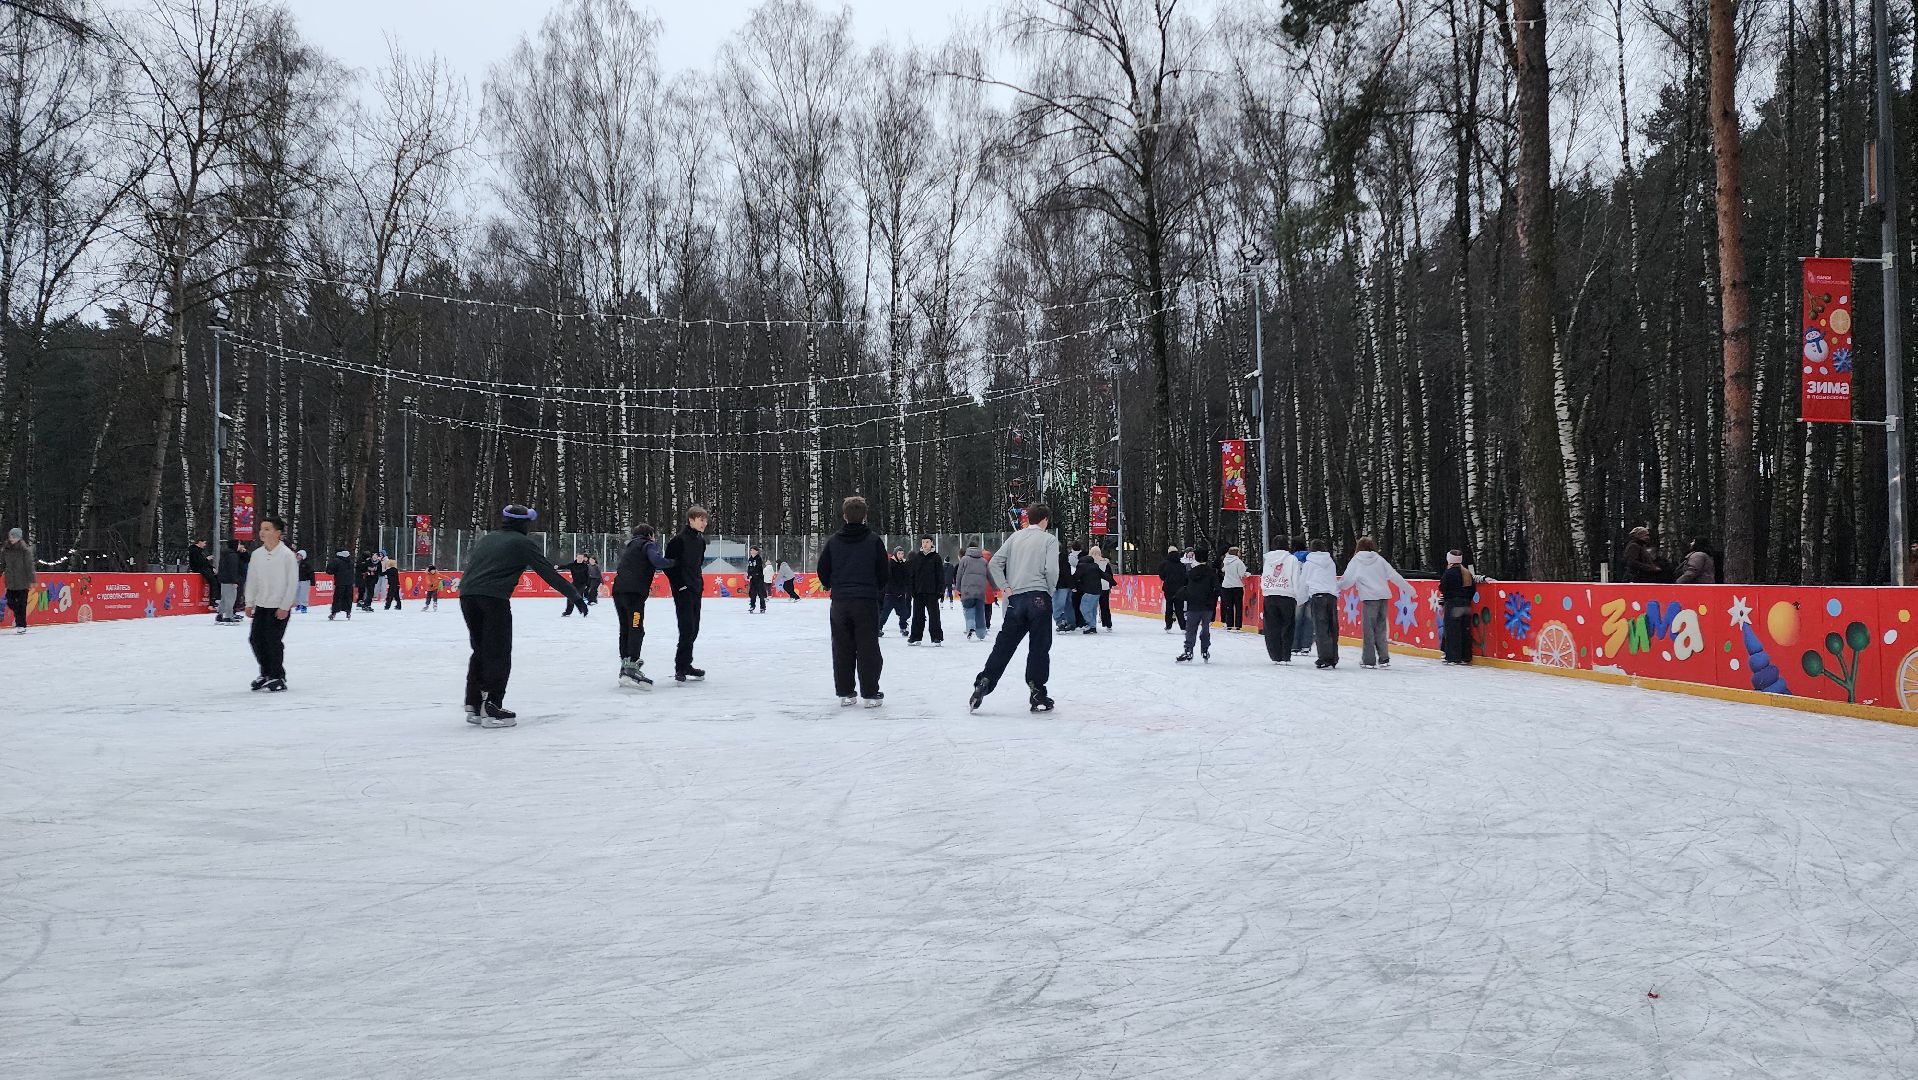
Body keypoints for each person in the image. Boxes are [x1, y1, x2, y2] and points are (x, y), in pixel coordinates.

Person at [458, 503, 585, 726]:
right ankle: (492, 706)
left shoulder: (487, 539)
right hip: (494, 599)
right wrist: (574, 596)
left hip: (467, 596)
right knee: (498, 651)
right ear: (524, 523)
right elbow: (547, 572)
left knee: (480, 649)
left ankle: (474, 702)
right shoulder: (522, 543)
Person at [968, 503, 1061, 713]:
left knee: (1004, 646)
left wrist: (1006, 588)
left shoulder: (1015, 537)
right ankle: (1037, 692)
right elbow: (1052, 569)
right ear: (1045, 519)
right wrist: (1050, 590)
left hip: (1016, 599)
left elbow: (994, 563)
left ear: (1029, 519)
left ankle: (984, 682)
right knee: (1038, 648)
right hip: (1039, 598)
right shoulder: (1049, 540)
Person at [817, 495, 890, 707]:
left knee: (842, 647)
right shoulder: (874, 540)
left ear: (844, 516)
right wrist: (875, 588)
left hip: (840, 602)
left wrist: (834, 585)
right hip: (866, 601)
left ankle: (846, 692)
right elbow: (884, 572)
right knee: (868, 647)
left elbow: (823, 570)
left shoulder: (834, 541)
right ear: (865, 516)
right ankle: (870, 693)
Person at [612, 523, 675, 690]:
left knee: (625, 628)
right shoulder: (648, 544)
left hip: (619, 591)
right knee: (636, 627)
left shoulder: (630, 546)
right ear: (650, 534)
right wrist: (675, 562)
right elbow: (657, 561)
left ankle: (625, 665)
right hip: (634, 594)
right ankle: (631, 666)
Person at [1339, 536, 1412, 669]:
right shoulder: (1379, 559)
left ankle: (1368, 660)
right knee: (1381, 629)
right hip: (1383, 597)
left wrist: (1337, 587)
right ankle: (1384, 658)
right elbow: (1393, 575)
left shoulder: (1356, 561)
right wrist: (1409, 589)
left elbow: (1347, 580)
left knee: (1368, 630)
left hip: (1369, 598)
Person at [244, 516, 299, 692]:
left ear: (277, 533)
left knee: (273, 641)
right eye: (262, 528)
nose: (262, 532)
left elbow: (292, 583)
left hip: (278, 606)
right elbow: (252, 580)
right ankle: (266, 672)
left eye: (267, 529)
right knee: (256, 639)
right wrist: (249, 602)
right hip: (261, 605)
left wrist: (285, 606)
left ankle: (278, 676)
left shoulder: (286, 556)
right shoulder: (257, 555)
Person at [664, 505, 710, 683]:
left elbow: (697, 565)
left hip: (696, 588)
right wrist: (680, 585)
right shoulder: (678, 540)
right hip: (683, 590)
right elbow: (668, 565)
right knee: (686, 628)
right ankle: (680, 667)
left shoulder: (700, 541)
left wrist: (698, 583)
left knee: (694, 628)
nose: (704, 523)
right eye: (701, 520)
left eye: (705, 520)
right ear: (691, 520)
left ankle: (686, 664)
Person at [1260, 538, 1305, 663]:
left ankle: (1275, 655)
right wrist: (1299, 596)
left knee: (1271, 627)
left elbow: (1265, 575)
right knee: (1287, 626)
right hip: (1287, 596)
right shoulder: (1292, 559)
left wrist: (1265, 589)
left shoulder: (1268, 559)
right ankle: (1286, 655)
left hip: (1270, 594)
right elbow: (1296, 578)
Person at [1300, 538, 1341, 668]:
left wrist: (1300, 599)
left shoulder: (1309, 563)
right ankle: (1333, 657)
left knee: (1321, 628)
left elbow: (1303, 582)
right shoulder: (1330, 562)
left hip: (1318, 596)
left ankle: (1324, 658)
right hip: (1331, 596)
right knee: (1332, 627)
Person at [1177, 547, 1219, 662]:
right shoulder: (1211, 573)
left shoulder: (1190, 573)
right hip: (1207, 606)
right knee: (1205, 629)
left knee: (1191, 628)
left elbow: (1184, 586)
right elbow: (1217, 588)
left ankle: (1189, 650)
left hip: (1193, 605)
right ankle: (1205, 650)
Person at [1439, 550, 1476, 666]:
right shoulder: (1467, 573)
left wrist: (1447, 598)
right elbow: (1472, 589)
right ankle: (1466, 656)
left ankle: (1453, 657)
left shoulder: (1449, 573)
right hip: (1466, 604)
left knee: (1453, 630)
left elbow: (1443, 587)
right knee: (1465, 630)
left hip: (1453, 605)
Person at [908, 535, 945, 646]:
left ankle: (936, 638)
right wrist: (912, 590)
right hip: (918, 592)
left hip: (932, 592)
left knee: (934, 616)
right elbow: (912, 575)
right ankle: (915, 637)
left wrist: (940, 590)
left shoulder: (936, 558)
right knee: (917, 616)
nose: (925, 544)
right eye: (923, 542)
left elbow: (940, 576)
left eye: (927, 542)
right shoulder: (916, 558)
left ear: (931, 543)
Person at [955, 543, 992, 640]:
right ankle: (981, 634)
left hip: (967, 590)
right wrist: (995, 588)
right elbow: (989, 575)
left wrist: (957, 588)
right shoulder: (983, 561)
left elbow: (959, 574)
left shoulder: (964, 559)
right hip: (980, 590)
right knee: (980, 611)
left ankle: (971, 628)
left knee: (968, 609)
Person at [1, 527, 34, 634]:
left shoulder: (25, 550)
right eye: (11, 536)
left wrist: (32, 579)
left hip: (22, 581)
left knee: (21, 604)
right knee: (10, 602)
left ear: (19, 538)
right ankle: (18, 618)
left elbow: (29, 566)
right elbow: (2, 563)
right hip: (10, 581)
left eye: (14, 536)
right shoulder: (6, 549)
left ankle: (21, 625)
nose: (11, 538)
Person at [1075, 545, 1105, 634]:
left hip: (1090, 590)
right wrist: (1113, 582)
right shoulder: (1100, 564)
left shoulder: (1083, 566)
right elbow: (1105, 574)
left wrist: (1073, 585)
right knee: (1092, 609)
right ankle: (1093, 625)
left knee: (1084, 607)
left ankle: (1091, 625)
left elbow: (1076, 577)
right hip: (1100, 589)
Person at [1157, 545, 1187, 633]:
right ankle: (1183, 627)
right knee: (1179, 608)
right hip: (1179, 589)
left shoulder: (1164, 564)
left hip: (1168, 588)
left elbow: (1162, 576)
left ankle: (1168, 625)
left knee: (1169, 607)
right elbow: (1185, 577)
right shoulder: (1181, 565)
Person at [882, 548, 912, 636]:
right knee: (885, 613)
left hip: (900, 594)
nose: (901, 555)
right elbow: (889, 578)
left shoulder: (904, 564)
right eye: (899, 553)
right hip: (890, 594)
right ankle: (879, 628)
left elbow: (907, 577)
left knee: (903, 613)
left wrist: (906, 588)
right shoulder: (890, 563)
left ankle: (903, 627)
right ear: (895, 554)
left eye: (902, 554)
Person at [217, 539, 246, 624]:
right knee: (230, 599)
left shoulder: (225, 554)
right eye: (239, 544)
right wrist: (235, 581)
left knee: (224, 598)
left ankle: (220, 614)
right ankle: (229, 616)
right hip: (230, 580)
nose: (240, 546)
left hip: (223, 579)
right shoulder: (233, 555)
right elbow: (233, 569)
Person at [1219, 546, 1248, 630]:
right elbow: (1242, 574)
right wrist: (1247, 573)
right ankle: (1238, 625)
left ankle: (1229, 624)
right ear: (1236, 553)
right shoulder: (1239, 562)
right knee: (1238, 606)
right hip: (1237, 586)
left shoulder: (1225, 561)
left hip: (1226, 585)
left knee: (1229, 606)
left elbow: (1223, 570)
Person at [189, 539, 219, 611]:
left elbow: (204, 562)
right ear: (200, 542)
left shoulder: (200, 551)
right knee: (213, 582)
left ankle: (215, 600)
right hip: (200, 569)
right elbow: (198, 562)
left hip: (204, 568)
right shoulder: (194, 551)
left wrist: (212, 568)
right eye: (204, 543)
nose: (205, 545)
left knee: (216, 580)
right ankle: (212, 602)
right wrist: (207, 559)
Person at [326, 550, 355, 620]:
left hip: (340, 582)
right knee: (348, 598)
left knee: (337, 598)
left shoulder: (337, 561)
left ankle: (334, 612)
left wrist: (334, 572)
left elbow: (329, 570)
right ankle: (348, 612)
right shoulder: (350, 562)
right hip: (349, 583)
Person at [1091, 546, 1115, 630]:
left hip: (1093, 586)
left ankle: (1090, 623)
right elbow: (1110, 575)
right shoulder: (1105, 563)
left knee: (1091, 606)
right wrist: (1110, 585)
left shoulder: (1090, 562)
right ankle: (1108, 624)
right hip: (1104, 586)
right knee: (1105, 606)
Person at [746, 545, 769, 613]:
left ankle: (762, 607)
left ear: (756, 551)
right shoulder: (750, 559)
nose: (751, 551)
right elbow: (749, 568)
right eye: (751, 550)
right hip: (753, 579)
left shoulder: (758, 558)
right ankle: (752, 606)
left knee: (761, 593)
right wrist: (749, 574)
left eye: (753, 550)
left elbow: (758, 568)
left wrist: (754, 574)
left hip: (759, 579)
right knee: (752, 593)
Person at [294, 549, 313, 613]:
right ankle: (298, 605)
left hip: (305, 580)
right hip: (296, 580)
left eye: (301, 555)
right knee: (296, 593)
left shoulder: (306, 564)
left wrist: (312, 581)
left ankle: (304, 606)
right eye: (298, 555)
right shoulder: (294, 562)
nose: (299, 556)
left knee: (304, 594)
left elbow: (311, 572)